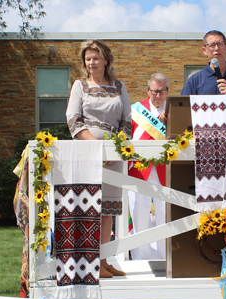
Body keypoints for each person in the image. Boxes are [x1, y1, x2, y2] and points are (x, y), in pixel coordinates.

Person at [66, 39, 132, 278]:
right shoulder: (80, 86)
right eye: (87, 59)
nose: (91, 62)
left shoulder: (119, 86)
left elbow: (127, 121)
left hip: (113, 156)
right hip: (86, 153)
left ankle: (103, 260)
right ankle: (89, 260)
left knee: (107, 210)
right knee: (88, 207)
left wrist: (114, 148)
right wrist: (96, 149)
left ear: (106, 60)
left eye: (95, 58)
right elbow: (73, 120)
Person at [128, 73, 169, 260]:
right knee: (139, 212)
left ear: (167, 92)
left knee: (165, 213)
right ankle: (140, 258)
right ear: (148, 91)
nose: (158, 96)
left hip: (165, 168)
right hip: (139, 168)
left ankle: (165, 257)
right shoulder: (136, 110)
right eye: (154, 91)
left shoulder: (174, 110)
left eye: (162, 92)